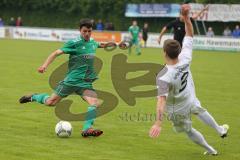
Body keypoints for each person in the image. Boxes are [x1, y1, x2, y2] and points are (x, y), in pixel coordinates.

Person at [149, 4, 229, 155]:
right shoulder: (185, 57)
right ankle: (219, 129)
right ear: (179, 51)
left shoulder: (163, 76)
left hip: (177, 109)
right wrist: (187, 18)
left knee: (189, 130)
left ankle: (211, 150)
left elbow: (161, 101)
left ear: (164, 53)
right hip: (189, 98)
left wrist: (158, 123)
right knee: (199, 110)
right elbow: (190, 34)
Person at [19, 19, 111, 137]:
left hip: (85, 83)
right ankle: (34, 97)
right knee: (50, 102)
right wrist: (44, 66)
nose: (87, 34)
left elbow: (100, 44)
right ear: (80, 31)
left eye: (89, 31)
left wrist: (117, 44)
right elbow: (56, 53)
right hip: (71, 81)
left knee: (95, 102)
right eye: (84, 31)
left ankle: (87, 129)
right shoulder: (74, 43)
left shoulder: (92, 42)